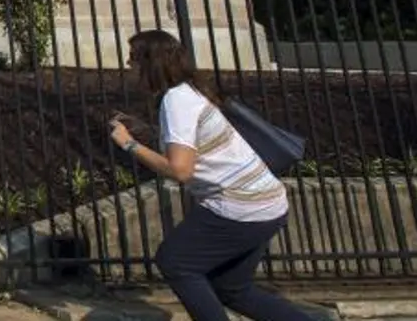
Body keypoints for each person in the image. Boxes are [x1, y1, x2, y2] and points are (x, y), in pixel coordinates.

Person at [109, 29, 308, 321]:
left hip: (241, 204)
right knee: (232, 289)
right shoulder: (187, 92)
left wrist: (128, 143)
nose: (129, 66)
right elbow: (192, 146)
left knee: (175, 261)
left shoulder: (176, 101)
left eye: (133, 59)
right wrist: (146, 131)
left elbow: (180, 169)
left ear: (149, 64)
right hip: (266, 202)